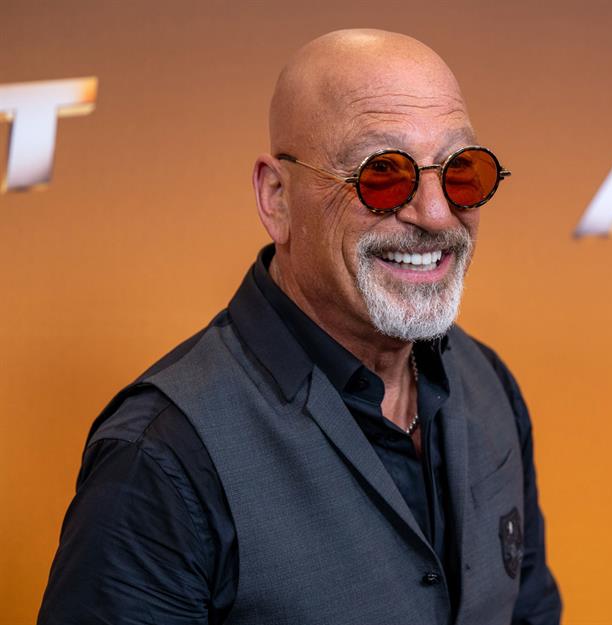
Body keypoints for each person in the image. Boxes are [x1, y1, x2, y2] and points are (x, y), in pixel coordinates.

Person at [38, 29, 561, 625]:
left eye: (462, 171)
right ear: (277, 198)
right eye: (382, 174)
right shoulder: (161, 459)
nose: (437, 214)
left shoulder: (489, 384)